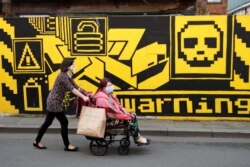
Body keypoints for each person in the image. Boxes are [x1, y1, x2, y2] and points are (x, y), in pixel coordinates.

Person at [33, 58, 90, 151]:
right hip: (54, 102)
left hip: (53, 101)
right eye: (73, 65)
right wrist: (83, 97)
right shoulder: (62, 76)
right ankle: (67, 145)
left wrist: (86, 93)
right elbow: (72, 89)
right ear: (68, 66)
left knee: (47, 122)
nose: (74, 66)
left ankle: (36, 141)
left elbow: (76, 87)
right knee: (64, 122)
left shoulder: (68, 76)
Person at [94, 78, 151, 145]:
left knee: (133, 114)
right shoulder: (101, 98)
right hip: (109, 120)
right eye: (109, 86)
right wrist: (125, 115)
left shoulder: (108, 95)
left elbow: (117, 105)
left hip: (114, 116)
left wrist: (123, 109)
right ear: (104, 88)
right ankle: (137, 138)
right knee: (131, 118)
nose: (111, 87)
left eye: (111, 85)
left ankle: (138, 137)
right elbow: (111, 113)